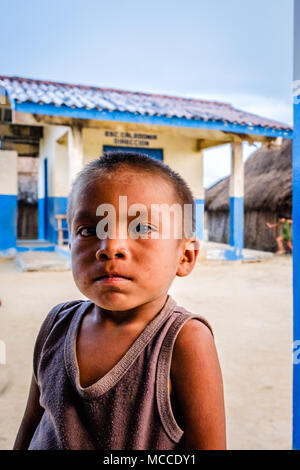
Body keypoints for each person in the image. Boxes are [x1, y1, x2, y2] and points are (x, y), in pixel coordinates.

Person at [13, 151, 226, 450]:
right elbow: (32, 421)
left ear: (185, 256)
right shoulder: (55, 325)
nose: (110, 247)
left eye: (141, 228)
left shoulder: (185, 341)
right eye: (88, 230)